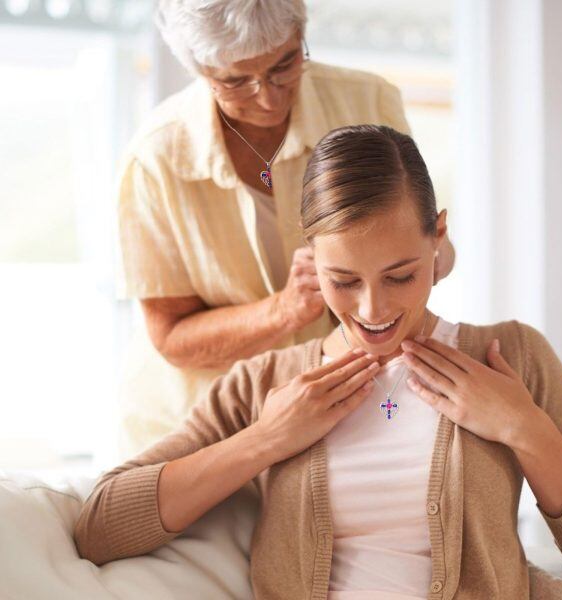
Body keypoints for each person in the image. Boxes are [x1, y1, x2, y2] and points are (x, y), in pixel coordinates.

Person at [74, 125, 562, 599]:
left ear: (438, 237)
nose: (373, 311)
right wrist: (266, 439)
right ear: (312, 259)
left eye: (400, 276)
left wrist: (523, 427)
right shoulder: (265, 385)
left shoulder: (512, 357)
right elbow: (100, 526)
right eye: (343, 281)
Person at [117, 0, 455, 456]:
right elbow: (172, 338)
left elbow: (430, 247)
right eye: (236, 80)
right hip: (202, 428)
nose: (269, 97)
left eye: (285, 64)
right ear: (199, 69)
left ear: (301, 35)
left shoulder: (368, 101)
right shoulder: (157, 158)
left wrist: (414, 261)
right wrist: (286, 310)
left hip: (337, 417)